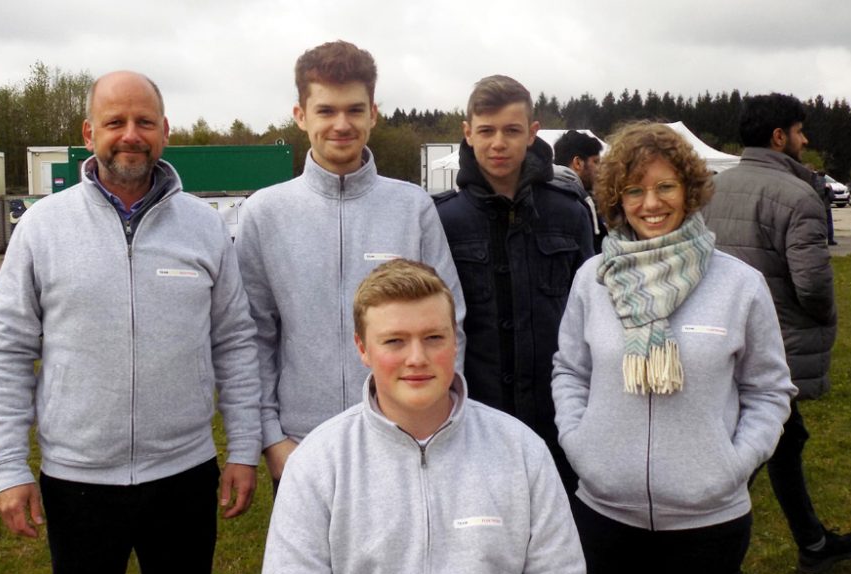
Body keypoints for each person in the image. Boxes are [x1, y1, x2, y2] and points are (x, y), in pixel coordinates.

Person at [0, 71, 262, 574]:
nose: (129, 135)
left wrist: (242, 449)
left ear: (165, 131)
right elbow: (6, 351)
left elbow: (236, 343)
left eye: (143, 122)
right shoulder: (42, 228)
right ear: (90, 133)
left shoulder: (205, 227)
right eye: (115, 122)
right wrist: (9, 467)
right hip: (78, 481)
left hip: (183, 476)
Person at [259, 259, 596, 574]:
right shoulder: (317, 464)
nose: (417, 358)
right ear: (362, 348)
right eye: (394, 341)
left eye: (434, 337)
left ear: (456, 341)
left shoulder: (521, 451)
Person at [551, 121, 796, 574]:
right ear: (617, 200)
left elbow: (769, 390)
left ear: (689, 189)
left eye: (665, 186)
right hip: (604, 514)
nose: (651, 203)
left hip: (707, 520)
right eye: (634, 190)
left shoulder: (739, 284)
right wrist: (580, 445)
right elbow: (571, 370)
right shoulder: (593, 279)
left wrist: (731, 465)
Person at [236, 40, 465, 491]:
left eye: (354, 110)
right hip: (303, 446)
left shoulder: (412, 207)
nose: (341, 124)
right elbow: (251, 336)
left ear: (373, 114)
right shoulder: (265, 214)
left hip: (405, 438)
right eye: (326, 111)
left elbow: (450, 323)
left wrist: (439, 421)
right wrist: (271, 439)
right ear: (301, 116)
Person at [704, 94, 851, 574]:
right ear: (779, 137)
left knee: (783, 440)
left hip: (721, 337)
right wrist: (825, 320)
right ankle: (716, 562)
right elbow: (813, 286)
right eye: (800, 131)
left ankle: (812, 542)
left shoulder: (712, 189)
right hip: (777, 344)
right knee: (754, 451)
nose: (805, 140)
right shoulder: (799, 197)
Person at [434, 75, 593, 502]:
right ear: (467, 133)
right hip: (476, 417)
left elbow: (592, 315)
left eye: (511, 130)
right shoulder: (441, 222)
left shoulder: (569, 214)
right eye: (485, 131)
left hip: (560, 418)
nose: (498, 143)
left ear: (533, 132)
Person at [552, 129, 607, 252]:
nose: (600, 169)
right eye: (596, 162)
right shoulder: (575, 203)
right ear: (578, 163)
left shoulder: (545, 193)